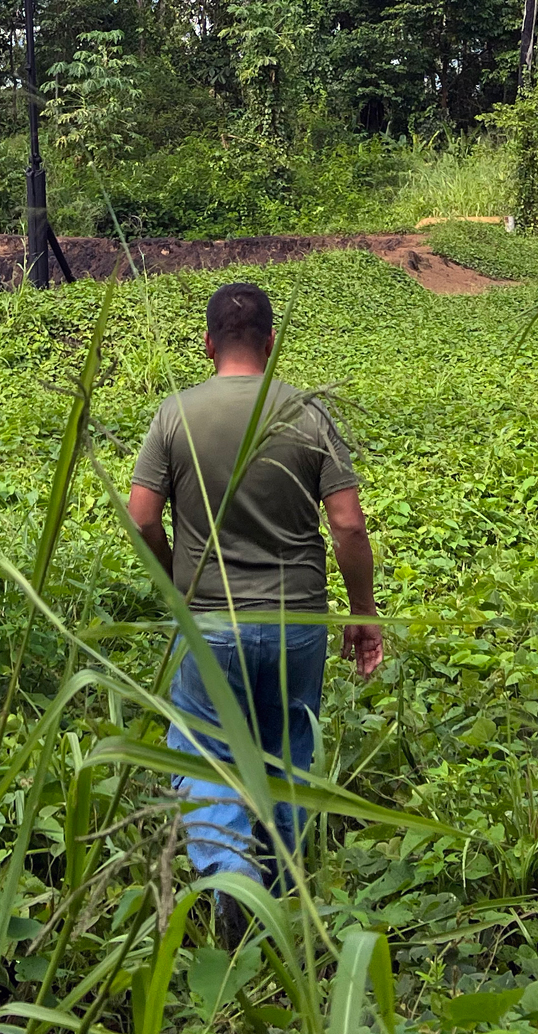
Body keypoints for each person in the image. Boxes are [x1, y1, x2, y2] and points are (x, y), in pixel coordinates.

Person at [127, 281, 379, 938]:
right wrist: (364, 610)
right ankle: (274, 891)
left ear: (208, 343)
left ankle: (231, 875)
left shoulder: (174, 414)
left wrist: (172, 578)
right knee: (285, 752)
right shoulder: (308, 413)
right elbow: (348, 525)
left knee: (207, 752)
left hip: (208, 618)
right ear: (269, 343)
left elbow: (141, 517)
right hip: (297, 619)